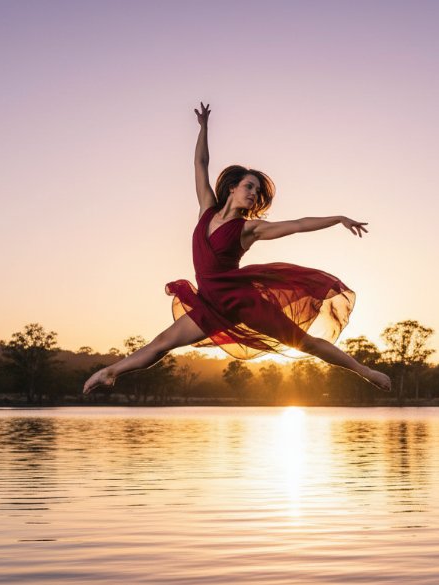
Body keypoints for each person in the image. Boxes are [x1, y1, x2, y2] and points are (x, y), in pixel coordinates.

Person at [83, 102, 391, 394]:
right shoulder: (206, 209)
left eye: (256, 191)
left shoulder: (248, 229)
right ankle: (111, 373)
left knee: (304, 343)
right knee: (163, 342)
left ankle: (365, 371)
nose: (253, 194)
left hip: (241, 302)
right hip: (209, 302)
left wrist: (338, 218)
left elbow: (297, 224)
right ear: (233, 187)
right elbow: (200, 163)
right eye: (249, 187)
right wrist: (203, 126)